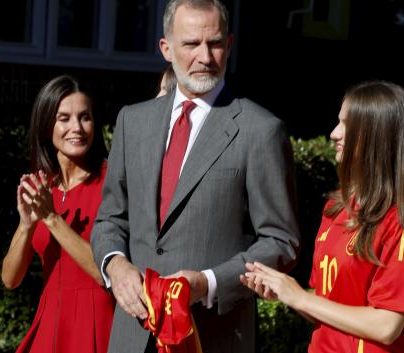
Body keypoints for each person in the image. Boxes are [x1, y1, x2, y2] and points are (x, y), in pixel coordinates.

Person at [90, 1, 300, 353]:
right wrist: (116, 265)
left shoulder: (260, 130)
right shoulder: (133, 121)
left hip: (213, 335)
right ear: (166, 48)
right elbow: (110, 218)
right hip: (132, 335)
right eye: (191, 44)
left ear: (230, 45)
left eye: (215, 43)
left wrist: (208, 282)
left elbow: (281, 241)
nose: (205, 56)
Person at [241, 81, 404, 353]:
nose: (334, 133)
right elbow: (329, 306)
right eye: (338, 122)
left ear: (377, 136)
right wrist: (285, 294)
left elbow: (387, 325)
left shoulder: (400, 220)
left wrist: (299, 297)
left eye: (347, 124)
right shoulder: (335, 208)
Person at [1, 75, 114, 353]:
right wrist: (27, 225)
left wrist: (52, 219)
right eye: (64, 118)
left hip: (99, 323)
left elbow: (107, 274)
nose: (76, 127)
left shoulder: (112, 183)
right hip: (50, 322)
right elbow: (10, 279)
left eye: (84, 117)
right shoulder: (42, 188)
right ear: (46, 125)